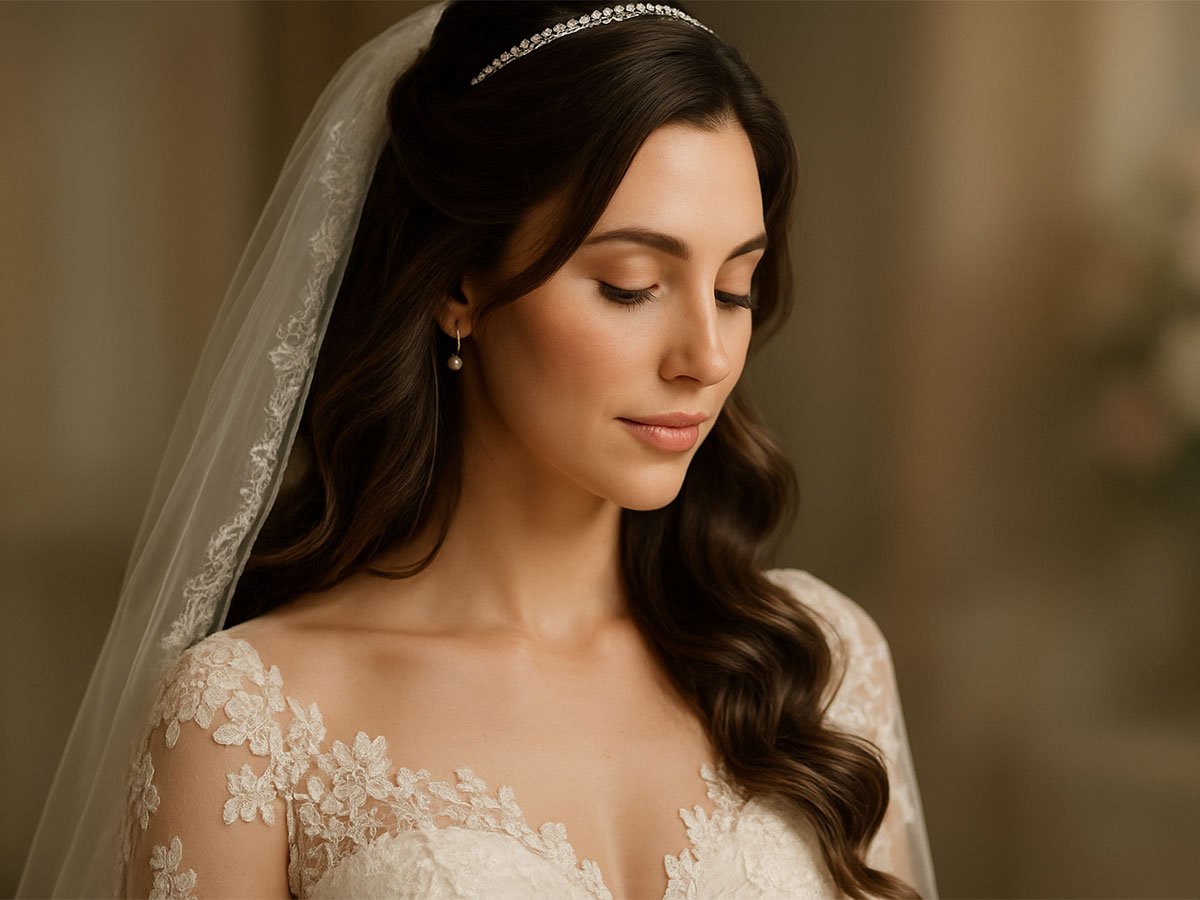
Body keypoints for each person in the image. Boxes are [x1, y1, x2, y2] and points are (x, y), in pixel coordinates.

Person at [17, 2, 938, 898]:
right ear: (460, 285)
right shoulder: (247, 723)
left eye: (735, 288)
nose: (707, 357)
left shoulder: (821, 663)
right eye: (630, 285)